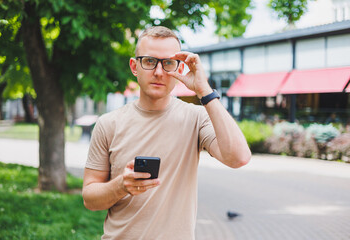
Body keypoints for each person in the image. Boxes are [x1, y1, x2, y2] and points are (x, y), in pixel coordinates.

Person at [82, 26, 251, 240]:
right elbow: (90, 199)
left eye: (168, 63)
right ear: (135, 66)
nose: (159, 72)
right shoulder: (108, 124)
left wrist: (204, 91)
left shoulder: (196, 118)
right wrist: (120, 185)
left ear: (179, 68)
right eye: (150, 61)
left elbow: (239, 158)